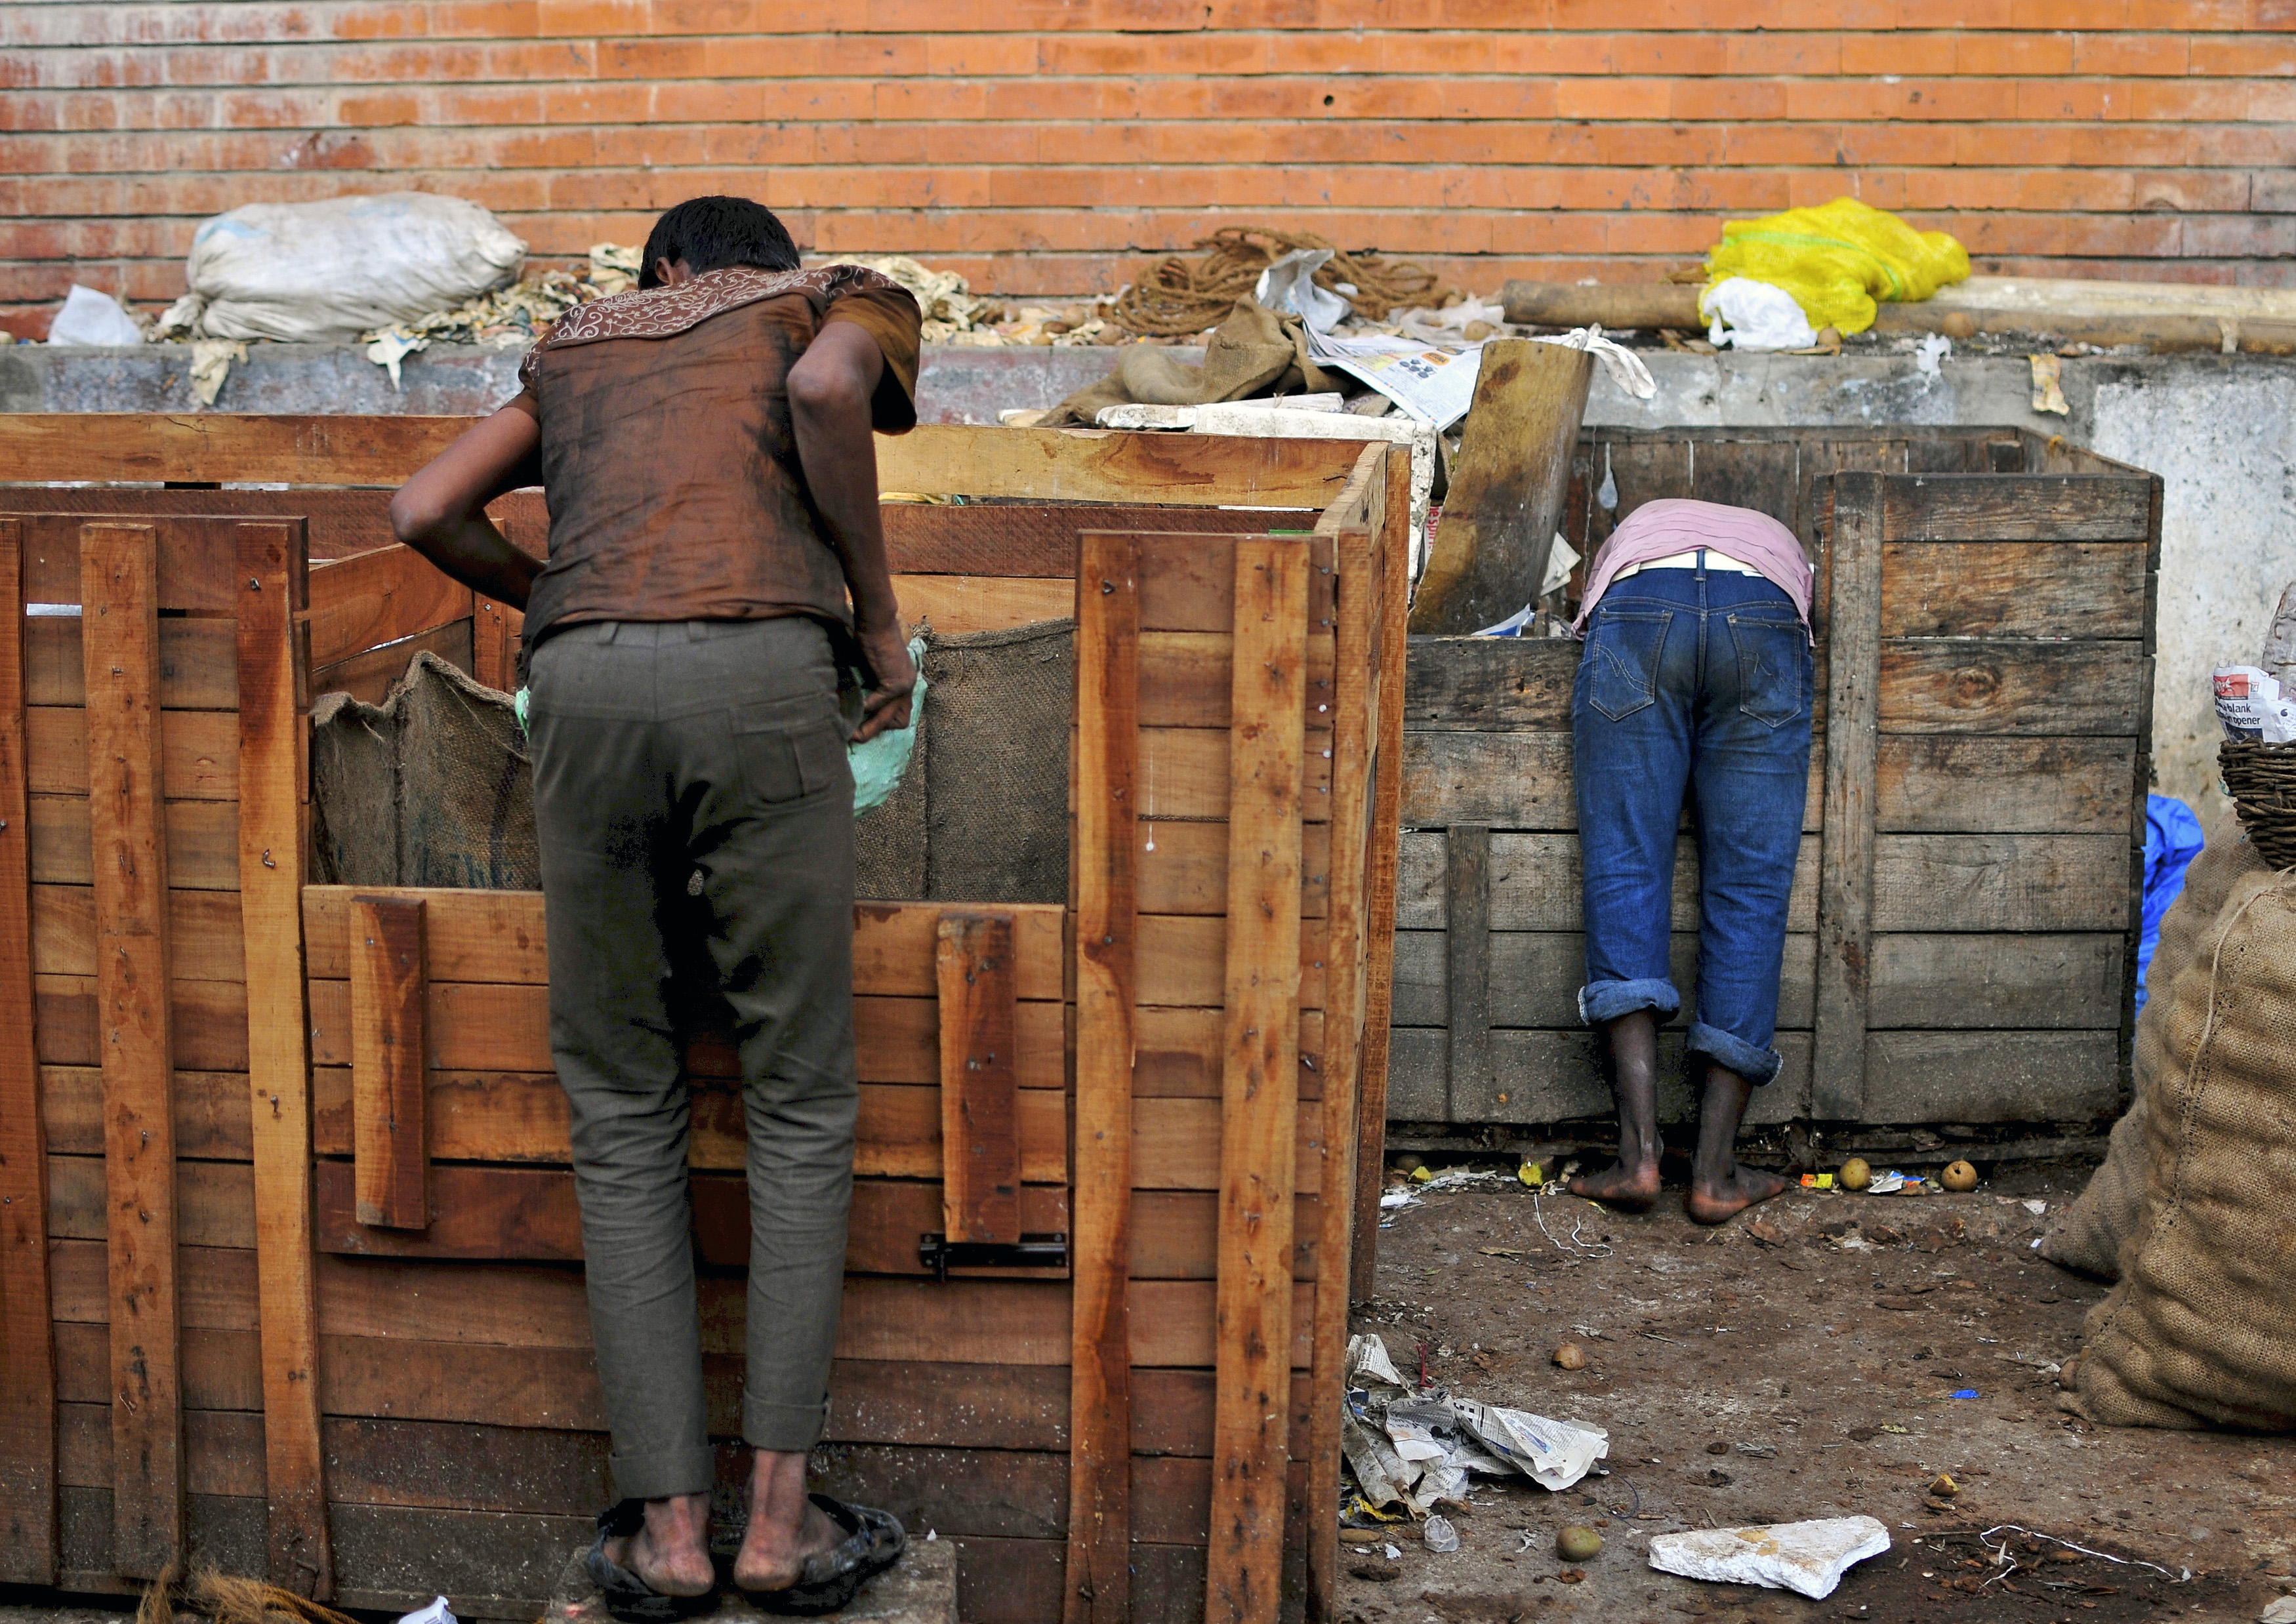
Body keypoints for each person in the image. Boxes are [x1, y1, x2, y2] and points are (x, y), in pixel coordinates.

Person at [388, 195, 920, 1616]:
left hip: (584, 689)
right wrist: (876, 623)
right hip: (761, 677)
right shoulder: (836, 297)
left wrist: (550, 589)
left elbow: (425, 510)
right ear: (761, 265)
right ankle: (777, 1526)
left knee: (620, 1095)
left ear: (666, 273)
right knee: (798, 1094)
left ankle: (669, 1535)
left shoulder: (575, 342)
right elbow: (821, 393)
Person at [1563, 498, 1813, 1225]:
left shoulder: (1637, 532)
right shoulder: (1777, 547)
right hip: (1762, 615)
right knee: (1749, 889)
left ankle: (1637, 1157)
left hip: (1641, 610)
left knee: (1623, 866)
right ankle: (1713, 1173)